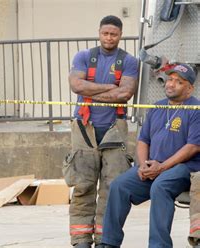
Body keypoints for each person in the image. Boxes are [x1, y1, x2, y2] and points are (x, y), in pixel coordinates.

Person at [99, 63, 200, 248]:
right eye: (170, 79)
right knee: (119, 186)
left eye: (179, 81)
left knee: (160, 187)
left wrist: (162, 167)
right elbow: (143, 140)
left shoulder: (196, 109)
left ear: (190, 88)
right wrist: (144, 164)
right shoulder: (156, 107)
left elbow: (193, 147)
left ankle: (158, 245)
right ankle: (109, 243)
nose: (171, 84)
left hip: (185, 168)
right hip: (153, 165)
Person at [65, 15, 139, 248]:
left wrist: (91, 91)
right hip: (84, 128)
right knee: (83, 186)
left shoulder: (128, 61)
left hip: (114, 129)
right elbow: (77, 85)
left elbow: (124, 94)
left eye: (114, 34)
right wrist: (109, 87)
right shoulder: (84, 57)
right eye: (105, 33)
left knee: (112, 187)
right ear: (99, 33)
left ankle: (105, 240)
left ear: (120, 35)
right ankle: (80, 240)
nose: (109, 38)